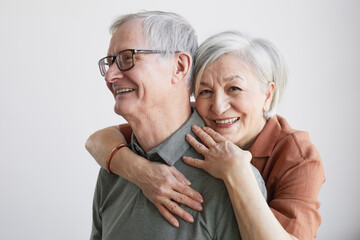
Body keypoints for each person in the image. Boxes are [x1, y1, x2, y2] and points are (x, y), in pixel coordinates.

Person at [87, 29, 325, 239]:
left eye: (234, 88)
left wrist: (238, 172)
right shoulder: (194, 124)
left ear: (267, 95)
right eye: (205, 91)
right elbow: (99, 140)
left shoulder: (298, 157)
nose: (218, 107)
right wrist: (142, 172)